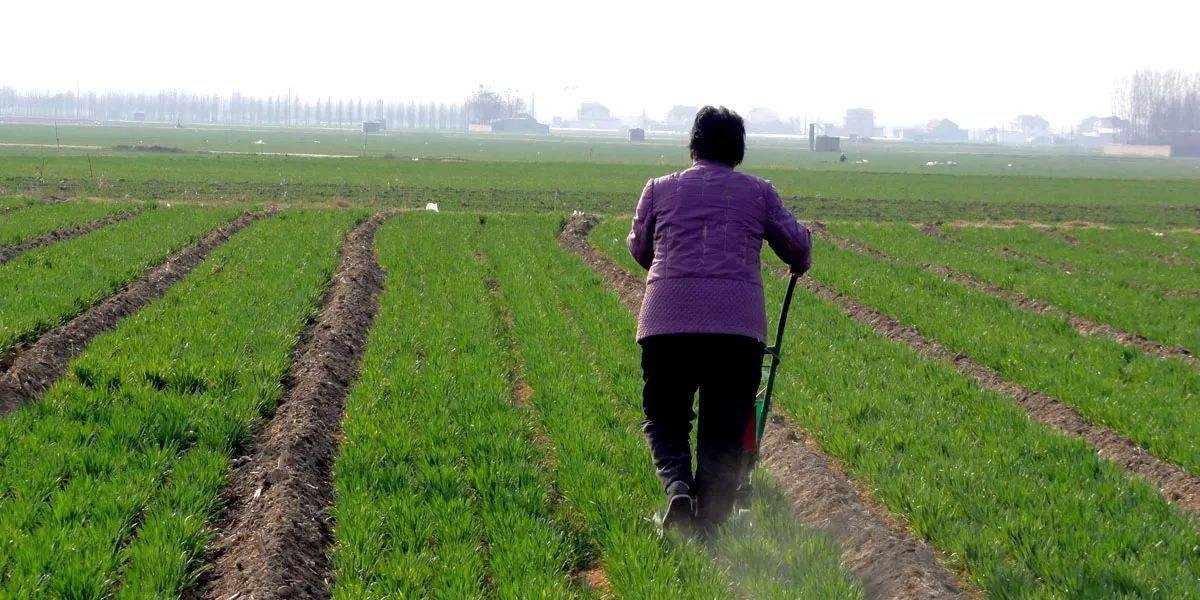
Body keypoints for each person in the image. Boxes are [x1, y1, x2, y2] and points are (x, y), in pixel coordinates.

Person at [627, 106, 812, 532]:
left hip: (667, 322)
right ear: (739, 151)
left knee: (666, 418)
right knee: (724, 428)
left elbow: (639, 249)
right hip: (736, 329)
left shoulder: (658, 189)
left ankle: (678, 490)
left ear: (693, 146)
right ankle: (709, 525)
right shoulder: (759, 193)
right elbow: (799, 251)